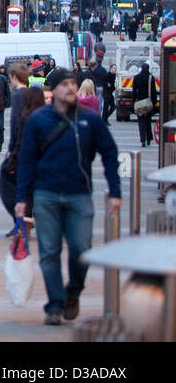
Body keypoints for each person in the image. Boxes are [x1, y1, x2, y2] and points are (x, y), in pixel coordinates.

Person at [16, 68, 122, 325]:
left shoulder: (90, 119)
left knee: (81, 248)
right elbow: (26, 160)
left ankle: (73, 291)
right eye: (64, 84)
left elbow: (109, 151)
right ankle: (55, 304)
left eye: (73, 83)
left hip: (79, 195)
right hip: (46, 194)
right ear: (53, 89)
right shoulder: (39, 120)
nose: (71, 88)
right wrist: (22, 198)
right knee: (49, 252)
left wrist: (115, 191)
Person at [0, 85, 45, 236]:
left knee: (17, 189)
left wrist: (12, 160)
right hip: (42, 163)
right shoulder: (46, 116)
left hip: (26, 162)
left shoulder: (25, 117)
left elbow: (20, 142)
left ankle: (22, 223)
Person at [132, 61, 157, 147]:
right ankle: (149, 138)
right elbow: (153, 91)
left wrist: (134, 101)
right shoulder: (151, 77)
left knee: (141, 121)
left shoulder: (136, 77)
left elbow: (134, 91)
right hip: (148, 101)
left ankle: (142, 140)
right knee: (148, 121)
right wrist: (154, 103)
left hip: (139, 102)